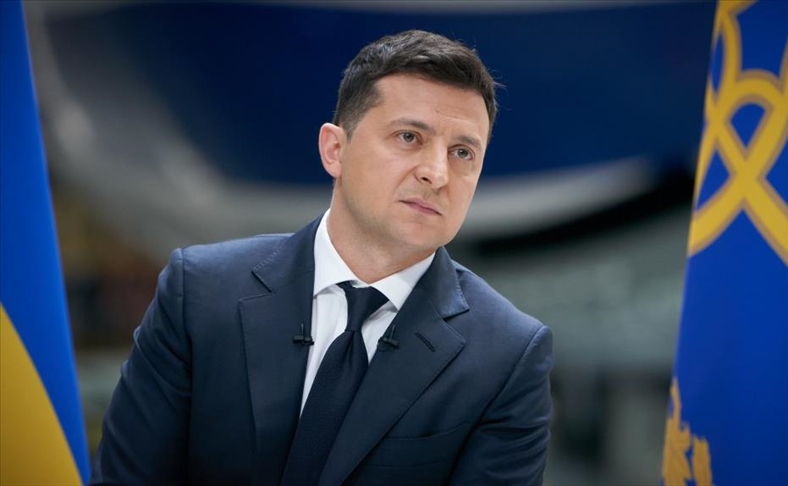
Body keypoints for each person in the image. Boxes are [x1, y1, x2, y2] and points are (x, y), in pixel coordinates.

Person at [91, 29, 553, 486]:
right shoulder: (198, 293)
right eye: (409, 137)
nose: (437, 173)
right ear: (335, 150)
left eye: (462, 152)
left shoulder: (508, 357)